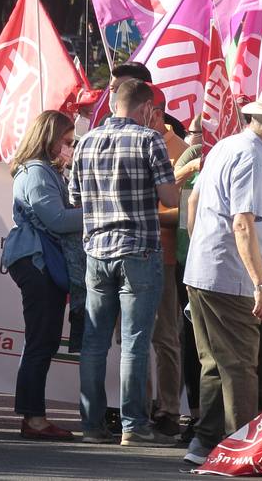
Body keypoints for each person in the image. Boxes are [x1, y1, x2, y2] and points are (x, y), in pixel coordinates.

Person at [182, 84, 262, 467]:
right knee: (238, 366)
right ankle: (242, 451)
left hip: (206, 269)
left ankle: (205, 444)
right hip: (231, 275)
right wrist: (261, 284)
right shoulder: (252, 156)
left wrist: (200, 249)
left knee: (216, 364)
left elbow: (194, 200)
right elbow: (243, 224)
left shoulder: (224, 146)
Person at [66, 79, 179, 446]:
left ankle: (91, 425)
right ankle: (133, 425)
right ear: (146, 108)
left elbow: (75, 198)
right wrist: (183, 177)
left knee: (95, 342)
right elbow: (168, 195)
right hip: (139, 249)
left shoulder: (85, 142)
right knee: (135, 342)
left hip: (96, 251)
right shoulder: (150, 140)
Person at [3, 109, 81, 442]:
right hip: (37, 261)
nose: (71, 147)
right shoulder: (36, 172)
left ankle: (33, 414)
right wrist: (98, 211)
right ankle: (33, 417)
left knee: (42, 339)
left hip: (39, 259)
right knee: (40, 340)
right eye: (67, 141)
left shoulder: (43, 171)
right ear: (49, 138)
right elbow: (57, 220)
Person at [150, 114, 191, 438]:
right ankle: (133, 408)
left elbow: (183, 208)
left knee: (166, 337)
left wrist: (141, 213)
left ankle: (168, 410)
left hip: (166, 256)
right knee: (130, 340)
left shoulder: (180, 150)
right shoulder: (134, 141)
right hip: (131, 251)